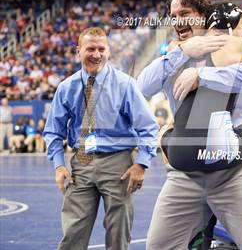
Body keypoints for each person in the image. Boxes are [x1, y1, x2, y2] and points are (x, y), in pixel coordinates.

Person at [139, 0, 242, 250]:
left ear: (204, 15)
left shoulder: (232, 44)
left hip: (233, 170)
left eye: (185, 13)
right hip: (186, 172)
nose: (178, 21)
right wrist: (183, 52)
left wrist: (202, 76)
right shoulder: (174, 56)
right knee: (158, 246)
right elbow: (141, 87)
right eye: (174, 16)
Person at [43, 27, 159, 250]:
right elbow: (53, 131)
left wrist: (141, 164)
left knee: (118, 232)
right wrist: (59, 166)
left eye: (101, 49)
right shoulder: (66, 88)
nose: (96, 54)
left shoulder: (125, 85)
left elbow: (148, 127)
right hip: (81, 162)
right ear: (78, 51)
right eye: (90, 49)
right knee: (73, 232)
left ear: (108, 52)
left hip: (118, 164)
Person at [161, 2, 242, 175]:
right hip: (227, 144)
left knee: (166, 130)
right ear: (229, 23)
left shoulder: (184, 49)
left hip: (184, 153)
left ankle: (176, 176)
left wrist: (201, 74)